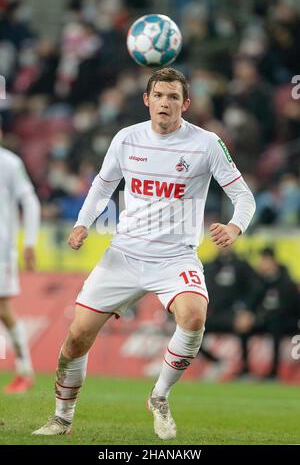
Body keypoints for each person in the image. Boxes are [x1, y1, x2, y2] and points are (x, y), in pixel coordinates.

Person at [33, 68, 255, 439]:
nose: (164, 103)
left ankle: (159, 395)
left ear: (185, 104)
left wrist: (234, 227)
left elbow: (243, 196)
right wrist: (82, 223)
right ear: (146, 100)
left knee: (194, 316)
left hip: (176, 257)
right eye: (158, 96)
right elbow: (102, 187)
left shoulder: (206, 144)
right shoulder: (127, 138)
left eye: (172, 97)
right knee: (76, 338)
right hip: (124, 254)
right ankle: (61, 418)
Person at [0, 127, 41, 393]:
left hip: (1, 249)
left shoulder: (9, 163)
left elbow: (31, 202)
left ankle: (25, 370)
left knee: (3, 309)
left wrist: (29, 242)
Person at [234, 247, 300, 379]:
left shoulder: (286, 282)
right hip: (265, 320)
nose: (261, 264)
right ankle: (245, 368)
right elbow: (252, 302)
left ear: (272, 261)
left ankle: (274, 372)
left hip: (287, 321)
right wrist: (246, 315)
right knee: (244, 329)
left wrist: (259, 318)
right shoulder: (260, 282)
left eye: (264, 260)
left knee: (276, 327)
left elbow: (286, 309)